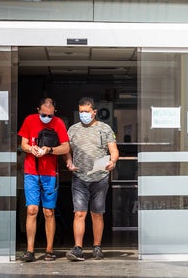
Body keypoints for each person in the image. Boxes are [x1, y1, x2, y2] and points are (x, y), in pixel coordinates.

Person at [64, 97, 119, 261]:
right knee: (79, 213)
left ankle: (97, 247)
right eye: (81, 112)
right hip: (79, 177)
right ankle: (78, 248)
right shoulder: (73, 129)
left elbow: (114, 150)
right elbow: (66, 149)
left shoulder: (105, 129)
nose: (83, 114)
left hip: (100, 177)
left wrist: (113, 161)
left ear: (94, 112)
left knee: (97, 213)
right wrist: (68, 161)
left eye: (86, 112)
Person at [18, 98, 70, 262]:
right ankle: (30, 250)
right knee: (32, 210)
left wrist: (50, 149)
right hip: (31, 171)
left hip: (50, 173)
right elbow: (23, 144)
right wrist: (31, 149)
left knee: (49, 211)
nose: (46, 117)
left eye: (50, 114)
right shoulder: (29, 120)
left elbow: (66, 147)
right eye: (43, 114)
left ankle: (49, 249)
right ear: (38, 110)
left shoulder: (59, 123)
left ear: (54, 111)